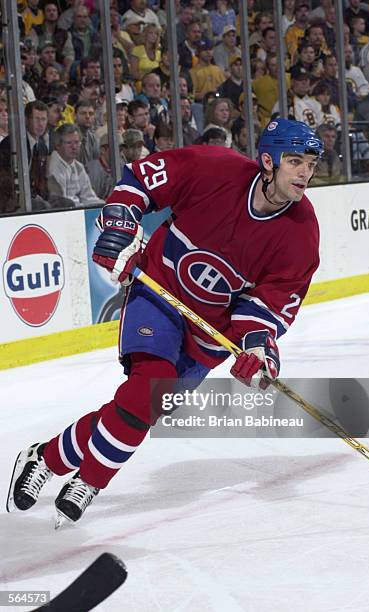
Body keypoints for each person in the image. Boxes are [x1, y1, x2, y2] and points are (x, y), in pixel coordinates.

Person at [7, 118, 323, 525]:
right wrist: (121, 223)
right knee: (148, 386)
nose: (304, 173)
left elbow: (269, 303)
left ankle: (47, 456)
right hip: (158, 290)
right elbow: (140, 181)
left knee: (145, 404)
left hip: (210, 333)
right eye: (295, 161)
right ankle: (90, 480)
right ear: (267, 160)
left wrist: (259, 350)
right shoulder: (215, 168)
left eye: (311, 164)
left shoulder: (301, 232)